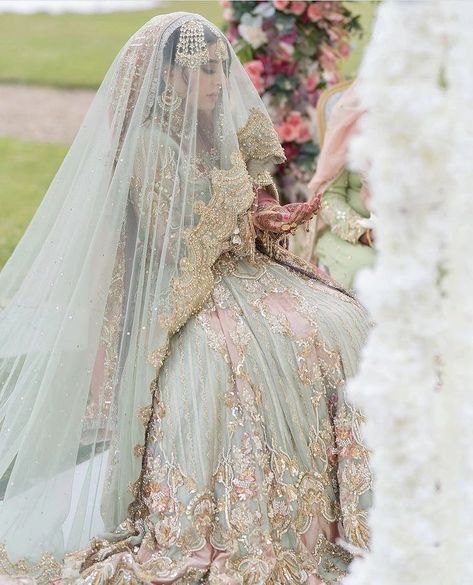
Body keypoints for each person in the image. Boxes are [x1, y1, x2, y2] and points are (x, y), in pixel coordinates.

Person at [0, 13, 371, 584]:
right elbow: (174, 244)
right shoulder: (148, 145)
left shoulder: (209, 129)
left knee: (341, 317)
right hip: (186, 286)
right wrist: (237, 213)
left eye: (221, 67)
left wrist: (265, 217)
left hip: (237, 269)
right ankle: (248, 520)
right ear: (169, 77)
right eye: (202, 71)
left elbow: (232, 217)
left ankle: (347, 514)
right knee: (245, 350)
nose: (219, 81)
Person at [307, 82, 376, 290]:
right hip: (353, 236)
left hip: (411, 231)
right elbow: (328, 196)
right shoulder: (356, 119)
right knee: (367, 269)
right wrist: (363, 232)